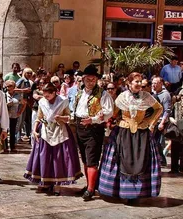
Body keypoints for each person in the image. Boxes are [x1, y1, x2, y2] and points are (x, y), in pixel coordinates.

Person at [98, 72, 163, 202]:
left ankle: (137, 193)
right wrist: (104, 116)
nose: (139, 84)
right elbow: (113, 113)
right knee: (121, 159)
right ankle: (121, 191)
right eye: (136, 82)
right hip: (124, 132)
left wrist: (150, 123)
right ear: (129, 83)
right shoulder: (122, 97)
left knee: (142, 159)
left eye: (140, 81)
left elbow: (158, 108)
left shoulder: (146, 96)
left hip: (141, 132)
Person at [25, 83, 82, 194]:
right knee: (45, 157)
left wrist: (60, 117)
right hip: (45, 131)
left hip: (60, 131)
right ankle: (45, 183)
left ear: (54, 93)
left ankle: (57, 184)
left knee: (58, 158)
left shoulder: (63, 101)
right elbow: (39, 117)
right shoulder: (42, 102)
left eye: (48, 96)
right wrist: (34, 130)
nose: (46, 98)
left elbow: (69, 118)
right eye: (44, 96)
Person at [73, 65, 114, 201]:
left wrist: (94, 119)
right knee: (85, 158)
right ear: (83, 79)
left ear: (96, 79)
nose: (90, 82)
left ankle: (91, 189)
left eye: (93, 79)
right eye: (88, 79)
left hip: (93, 129)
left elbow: (109, 113)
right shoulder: (79, 93)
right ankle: (89, 185)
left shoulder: (103, 94)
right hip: (80, 127)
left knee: (92, 159)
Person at [151, 77, 171, 167]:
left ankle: (162, 160)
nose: (153, 85)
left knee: (155, 140)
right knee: (154, 140)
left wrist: (162, 122)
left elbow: (167, 110)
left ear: (160, 84)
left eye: (155, 83)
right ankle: (159, 159)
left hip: (160, 121)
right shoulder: (154, 93)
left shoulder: (165, 95)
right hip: (154, 121)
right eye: (152, 83)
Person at [5, 80, 26, 152]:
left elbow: (24, 103)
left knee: (12, 131)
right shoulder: (4, 95)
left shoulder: (18, 96)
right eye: (7, 86)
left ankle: (12, 146)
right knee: (5, 130)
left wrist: (20, 112)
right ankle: (5, 147)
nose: (8, 88)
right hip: (6, 116)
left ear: (14, 87)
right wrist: (7, 105)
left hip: (14, 116)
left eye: (10, 86)